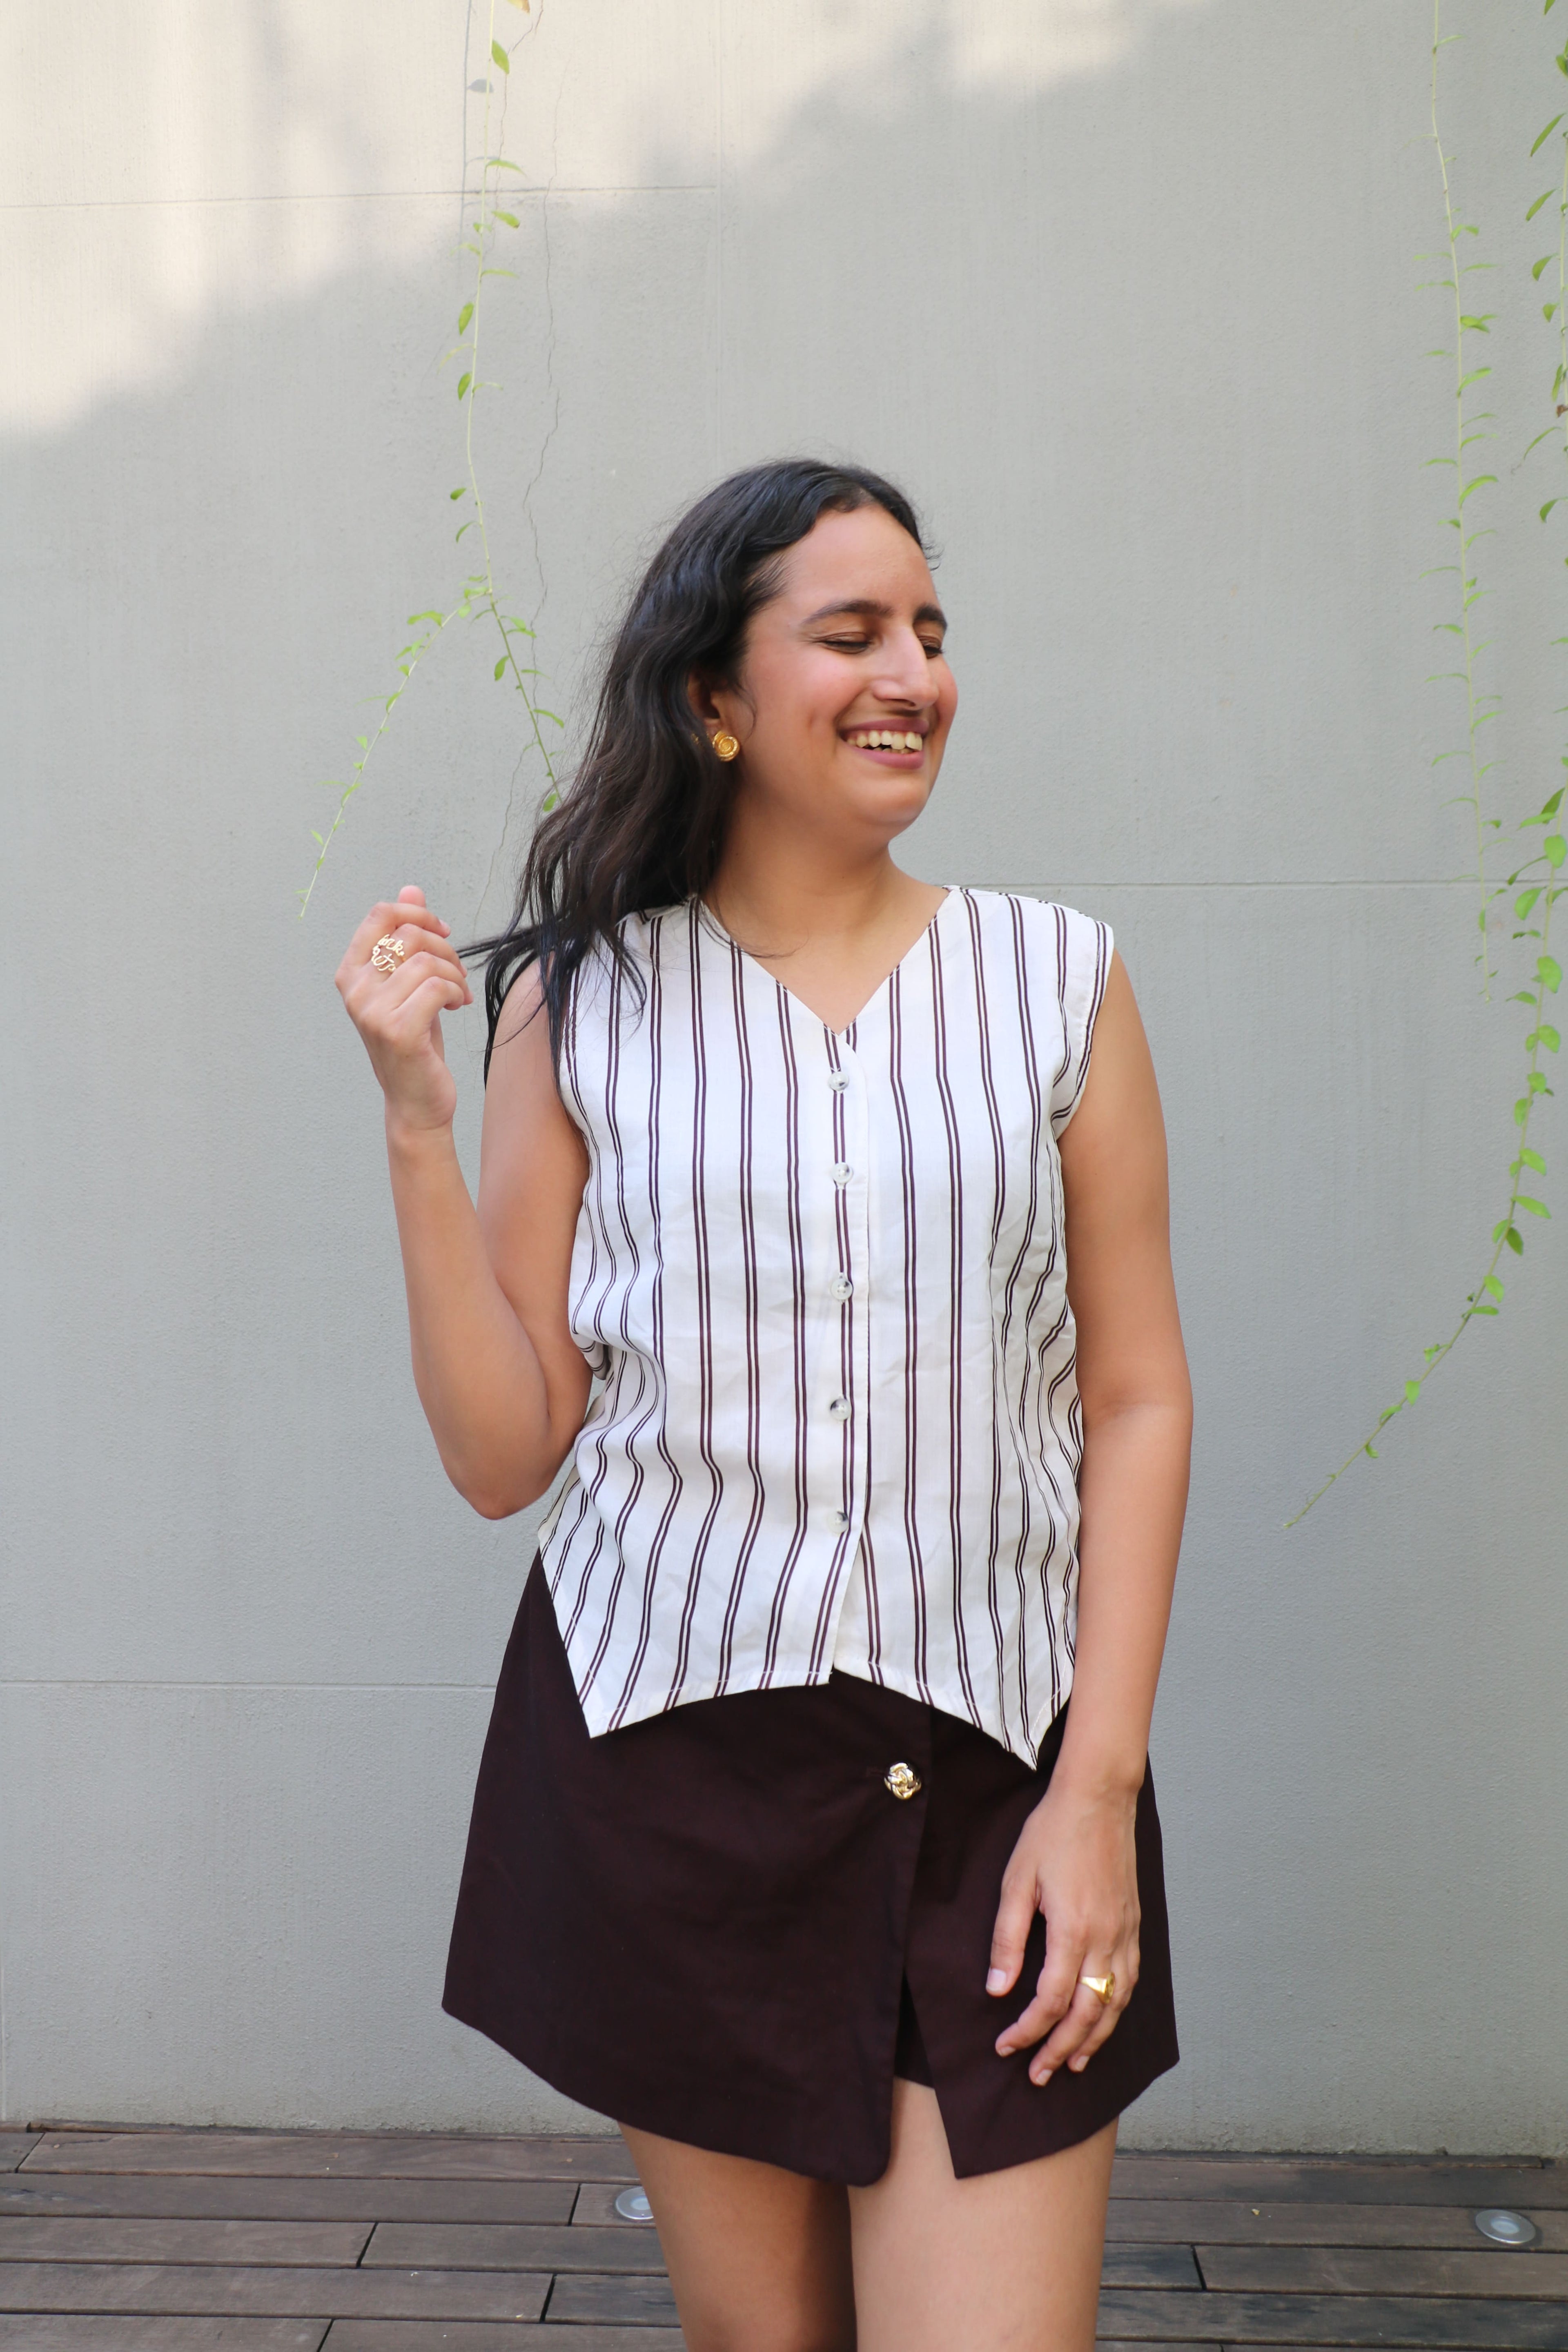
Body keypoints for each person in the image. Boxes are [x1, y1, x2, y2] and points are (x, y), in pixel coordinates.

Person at [335, 459, 1191, 2352]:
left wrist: (1099, 1792)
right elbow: (504, 1457)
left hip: (999, 1782)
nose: (915, 673)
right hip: (681, 1781)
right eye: (853, 632)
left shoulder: (1058, 986)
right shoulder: (577, 1006)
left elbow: (1135, 1399)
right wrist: (418, 1122)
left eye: (934, 633)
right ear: (717, 697)